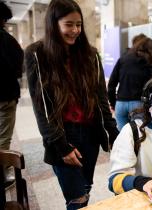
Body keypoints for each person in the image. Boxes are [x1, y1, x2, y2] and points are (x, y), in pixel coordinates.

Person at [24, 0, 119, 209]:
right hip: (62, 136)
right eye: (69, 24)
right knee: (76, 199)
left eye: (79, 24)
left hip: (90, 136)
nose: (75, 30)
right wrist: (62, 146)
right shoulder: (37, 54)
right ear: (54, 24)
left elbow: (101, 98)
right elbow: (42, 109)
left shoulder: (90, 54)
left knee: (85, 190)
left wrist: (113, 133)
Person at [108, 36, 152, 130]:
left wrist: (113, 103)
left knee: (123, 137)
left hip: (120, 104)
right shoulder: (149, 61)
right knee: (139, 137)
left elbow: (111, 84)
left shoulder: (123, 58)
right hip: (139, 104)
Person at [0, 1, 24, 188]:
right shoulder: (7, 41)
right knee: (3, 137)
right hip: (5, 96)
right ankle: (2, 176)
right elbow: (18, 68)